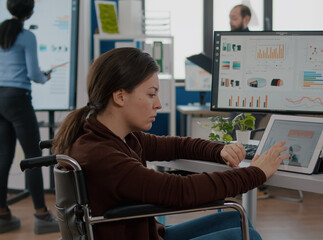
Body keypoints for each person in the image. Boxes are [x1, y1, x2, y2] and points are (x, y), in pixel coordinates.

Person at [52, 47, 289, 240]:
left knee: (236, 218)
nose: (158, 104)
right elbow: (179, 191)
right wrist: (256, 173)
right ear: (120, 96)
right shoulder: (102, 154)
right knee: (244, 236)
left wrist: (219, 150)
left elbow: (176, 145)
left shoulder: (120, 137)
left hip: (150, 234)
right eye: (151, 94)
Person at [0, 0, 59, 235]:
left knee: (3, 156)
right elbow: (34, 73)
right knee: (34, 156)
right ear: (31, 12)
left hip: (0, 97)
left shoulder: (2, 32)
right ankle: (42, 214)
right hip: (18, 97)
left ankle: (2, 213)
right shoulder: (27, 37)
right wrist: (45, 77)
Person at [229, 4, 270, 199]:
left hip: (254, 100)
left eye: (235, 18)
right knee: (232, 138)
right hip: (236, 100)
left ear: (246, 20)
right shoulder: (229, 42)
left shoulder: (255, 42)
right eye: (230, 17)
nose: (231, 22)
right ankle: (238, 184)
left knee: (247, 140)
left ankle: (256, 185)